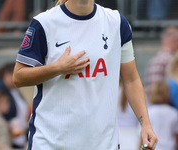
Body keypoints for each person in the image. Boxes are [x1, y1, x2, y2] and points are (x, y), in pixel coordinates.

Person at [13, 0, 158, 150]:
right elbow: (19, 76)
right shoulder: (44, 23)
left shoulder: (117, 23)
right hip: (50, 143)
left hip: (103, 144)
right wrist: (58, 68)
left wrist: (145, 123)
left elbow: (131, 79)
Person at [140, 81, 178, 150]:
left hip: (153, 147)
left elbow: (142, 135)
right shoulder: (174, 113)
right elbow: (176, 137)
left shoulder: (148, 112)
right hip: (169, 147)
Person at [145, 26, 178, 96]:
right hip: (165, 103)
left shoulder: (153, 60)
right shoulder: (171, 60)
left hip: (151, 103)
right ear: (175, 41)